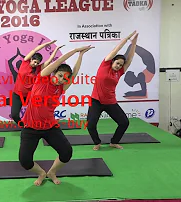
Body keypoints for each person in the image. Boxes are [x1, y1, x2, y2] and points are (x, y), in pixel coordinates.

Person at [19, 45, 93, 186]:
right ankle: (41, 173)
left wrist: (80, 56)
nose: (61, 80)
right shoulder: (42, 78)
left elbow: (75, 73)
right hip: (30, 127)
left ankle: (52, 172)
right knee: (25, 161)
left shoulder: (61, 88)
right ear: (55, 73)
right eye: (59, 76)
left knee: (67, 152)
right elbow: (58, 63)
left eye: (64, 79)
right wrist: (75, 50)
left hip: (49, 127)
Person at [87, 31, 139, 151]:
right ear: (112, 61)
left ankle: (114, 142)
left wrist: (134, 43)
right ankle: (97, 142)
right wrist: (126, 39)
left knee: (124, 122)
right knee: (91, 125)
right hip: (96, 101)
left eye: (121, 65)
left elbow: (130, 58)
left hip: (110, 102)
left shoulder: (119, 72)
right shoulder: (104, 65)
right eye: (117, 63)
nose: (118, 66)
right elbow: (115, 50)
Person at [11, 40, 64, 127]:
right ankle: (23, 126)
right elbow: (34, 50)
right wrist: (47, 44)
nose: (35, 64)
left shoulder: (39, 69)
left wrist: (56, 50)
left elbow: (49, 61)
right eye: (34, 61)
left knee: (38, 112)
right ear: (31, 59)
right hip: (18, 94)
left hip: (30, 96)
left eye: (37, 63)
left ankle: (43, 125)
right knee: (14, 115)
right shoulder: (25, 62)